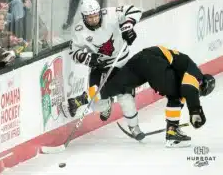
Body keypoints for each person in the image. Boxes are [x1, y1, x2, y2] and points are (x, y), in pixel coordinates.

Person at [73, 46, 216, 147]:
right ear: (202, 83)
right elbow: (189, 88)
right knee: (177, 96)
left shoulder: (185, 69)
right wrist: (195, 111)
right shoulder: (195, 73)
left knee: (112, 88)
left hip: (142, 59)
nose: (197, 93)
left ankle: (80, 100)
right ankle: (172, 132)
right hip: (156, 63)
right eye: (200, 92)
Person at [68, 0, 142, 130]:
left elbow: (134, 10)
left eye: (95, 15)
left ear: (100, 12)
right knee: (98, 105)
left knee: (125, 98)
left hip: (121, 61)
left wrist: (128, 26)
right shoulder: (79, 30)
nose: (93, 19)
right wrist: (87, 57)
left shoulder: (111, 14)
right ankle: (106, 102)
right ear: (83, 17)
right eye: (89, 17)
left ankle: (134, 128)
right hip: (100, 65)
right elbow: (74, 52)